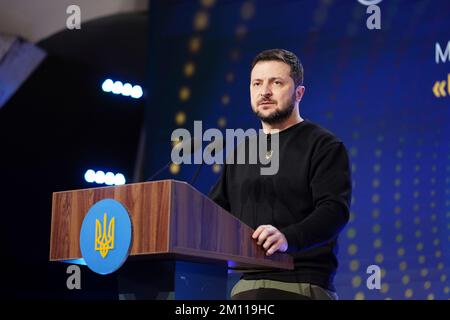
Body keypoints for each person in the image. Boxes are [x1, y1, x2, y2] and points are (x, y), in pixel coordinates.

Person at [208, 49, 352, 300]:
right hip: (244, 287)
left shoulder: (323, 146)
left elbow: (334, 210)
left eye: (276, 82)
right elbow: (213, 212)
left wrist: (288, 237)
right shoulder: (242, 151)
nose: (264, 91)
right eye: (257, 83)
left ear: (299, 93)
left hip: (301, 284)